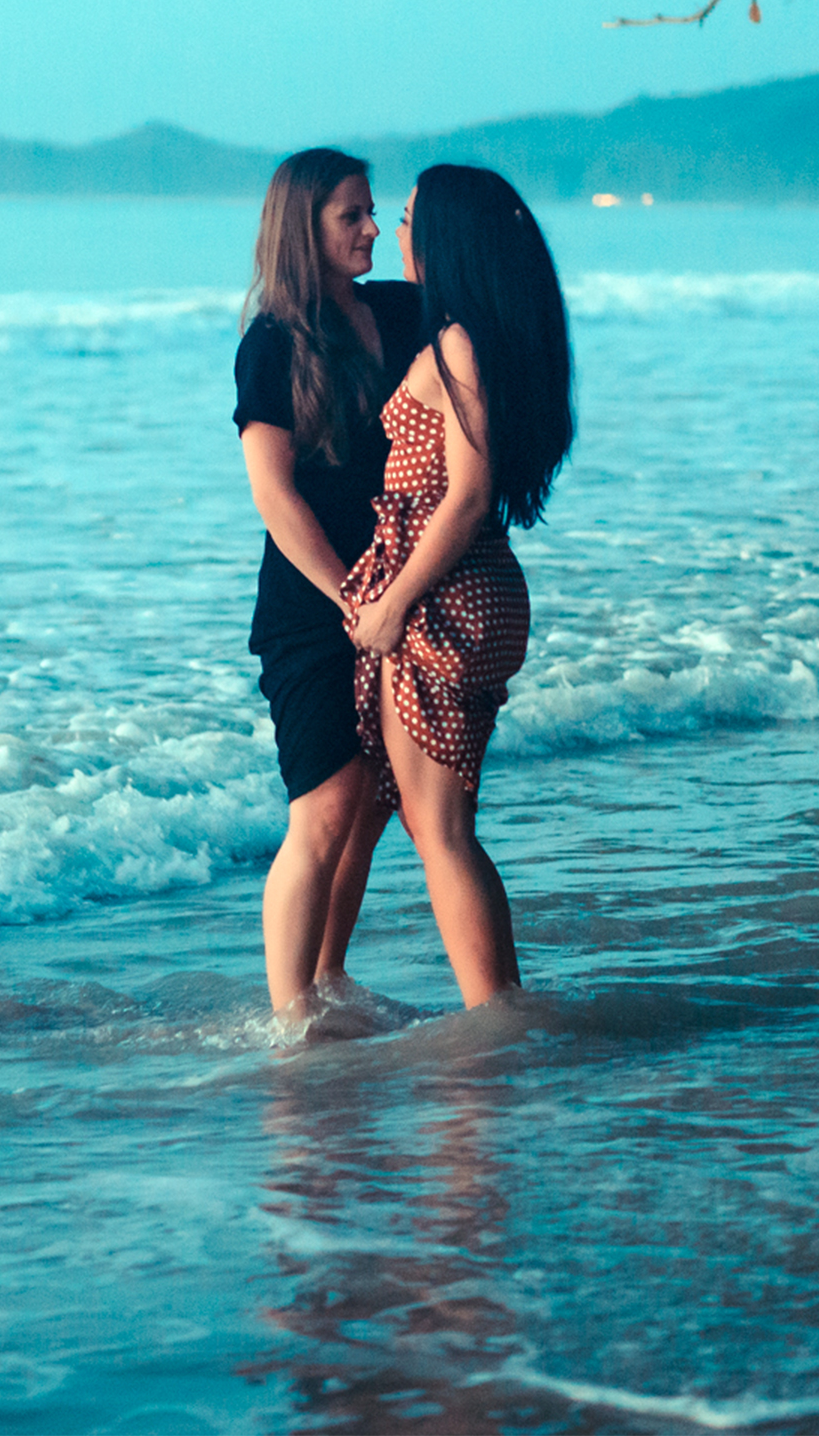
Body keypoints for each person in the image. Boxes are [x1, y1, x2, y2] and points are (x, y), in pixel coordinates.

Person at [342, 164, 573, 1007]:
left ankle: (496, 1016)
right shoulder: (484, 338)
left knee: (440, 830)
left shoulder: (460, 345)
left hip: (444, 594)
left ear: (446, 237)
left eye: (407, 219)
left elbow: (467, 496)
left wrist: (394, 604)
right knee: (437, 823)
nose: (394, 233)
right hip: (473, 588)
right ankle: (498, 1003)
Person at [234, 149, 423, 1018]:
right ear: (302, 228)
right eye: (352, 215)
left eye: (375, 212)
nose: (372, 228)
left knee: (373, 802)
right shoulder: (272, 344)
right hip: (313, 607)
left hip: (398, 594)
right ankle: (290, 1021)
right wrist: (355, 600)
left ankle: (329, 978)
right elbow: (274, 496)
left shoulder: (401, 312)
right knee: (326, 801)